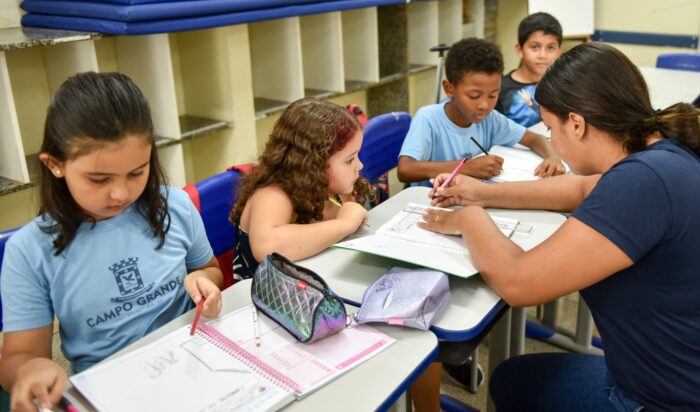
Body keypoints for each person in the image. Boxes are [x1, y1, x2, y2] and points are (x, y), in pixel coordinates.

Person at [421, 42, 700, 411]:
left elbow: (519, 282)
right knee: (515, 378)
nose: (551, 141)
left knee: (515, 382)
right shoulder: (660, 151)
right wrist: (482, 194)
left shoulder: (642, 182)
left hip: (674, 402)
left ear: (577, 123)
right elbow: (582, 188)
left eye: (552, 129)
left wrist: (470, 219)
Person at [0, 72, 224, 412]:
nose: (121, 193)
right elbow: (20, 356)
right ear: (55, 164)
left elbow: (209, 270)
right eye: (99, 178)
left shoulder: (173, 206)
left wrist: (204, 281)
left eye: (137, 172)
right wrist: (29, 369)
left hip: (196, 367)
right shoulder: (30, 251)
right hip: (110, 393)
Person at [229, 97, 370, 278]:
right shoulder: (272, 195)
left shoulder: (326, 190)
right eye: (349, 160)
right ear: (314, 164)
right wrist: (344, 224)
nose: (359, 166)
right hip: (259, 300)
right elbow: (268, 246)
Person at [397, 37, 564, 187]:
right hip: (427, 204)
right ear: (449, 88)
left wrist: (552, 157)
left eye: (493, 95)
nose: (485, 105)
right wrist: (466, 167)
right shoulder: (427, 119)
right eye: (474, 96)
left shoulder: (489, 119)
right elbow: (405, 170)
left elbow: (534, 138)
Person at [495, 12, 562, 127]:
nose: (543, 55)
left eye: (550, 48)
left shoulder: (563, 85)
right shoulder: (499, 89)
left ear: (559, 50)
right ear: (519, 50)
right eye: (535, 47)